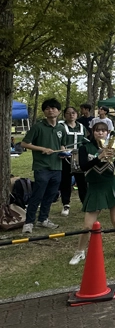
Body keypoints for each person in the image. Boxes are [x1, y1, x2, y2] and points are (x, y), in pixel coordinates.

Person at [68, 122, 115, 265]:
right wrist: (99, 157)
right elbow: (83, 166)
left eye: (103, 131)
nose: (100, 133)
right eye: (97, 130)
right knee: (88, 225)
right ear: (92, 132)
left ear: (108, 132)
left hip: (111, 186)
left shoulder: (113, 147)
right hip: (94, 187)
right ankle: (80, 252)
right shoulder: (85, 148)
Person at [20, 98, 64, 234]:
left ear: (59, 111)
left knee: (51, 195)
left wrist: (62, 150)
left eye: (53, 108)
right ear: (44, 112)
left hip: (57, 167)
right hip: (42, 166)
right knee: (38, 194)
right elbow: (24, 144)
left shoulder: (61, 128)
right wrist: (42, 149)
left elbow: (62, 144)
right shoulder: (38, 127)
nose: (50, 110)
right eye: (47, 108)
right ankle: (28, 222)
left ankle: (43, 219)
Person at [57, 106, 88, 216]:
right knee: (65, 181)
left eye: (73, 112)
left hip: (79, 158)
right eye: (69, 113)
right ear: (65, 115)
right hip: (65, 158)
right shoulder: (61, 127)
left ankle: (85, 203)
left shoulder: (81, 127)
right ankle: (66, 204)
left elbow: (85, 141)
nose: (71, 115)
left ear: (77, 114)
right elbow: (58, 141)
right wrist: (62, 149)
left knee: (82, 182)